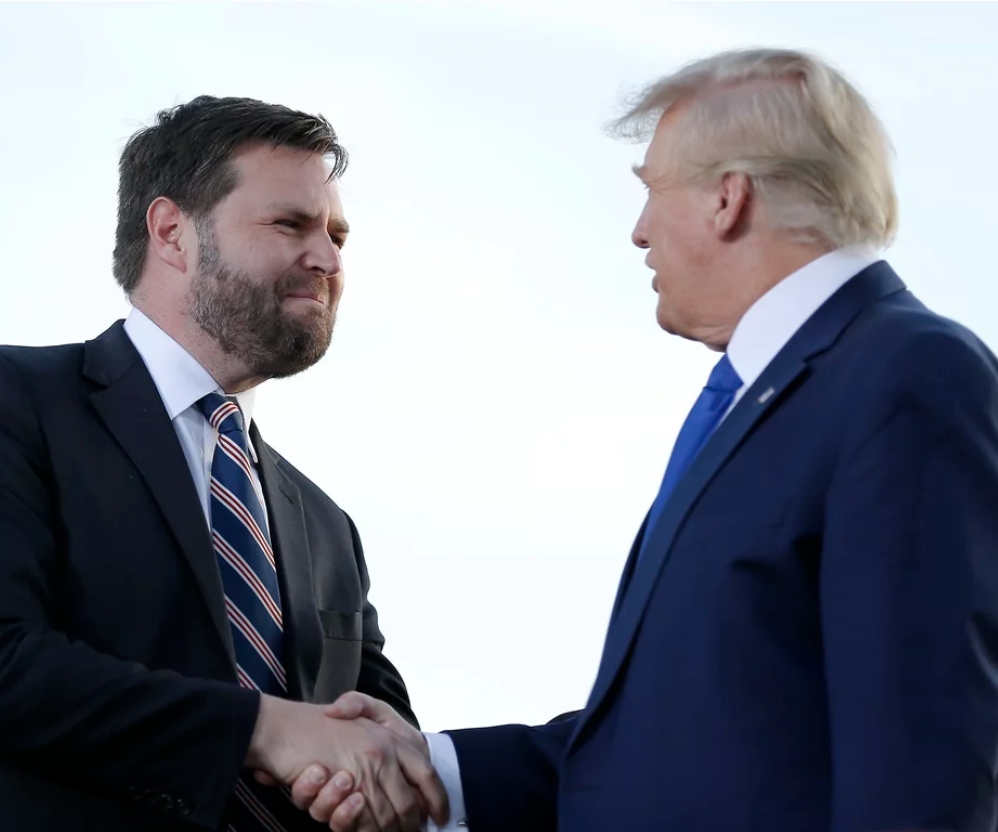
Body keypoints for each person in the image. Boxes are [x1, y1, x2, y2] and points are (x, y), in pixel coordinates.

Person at [292, 47, 998, 832]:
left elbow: (923, 762)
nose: (638, 232)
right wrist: (434, 768)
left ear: (728, 198)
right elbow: (677, 742)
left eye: (651, 190)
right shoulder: (762, 396)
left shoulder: (908, 373)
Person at [0, 95, 446, 832]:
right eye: (289, 224)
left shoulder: (328, 530)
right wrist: (266, 727)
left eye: (337, 236)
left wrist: (385, 773)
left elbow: (385, 751)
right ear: (171, 232)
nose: (328, 259)